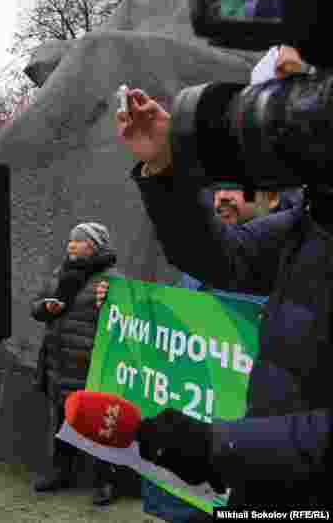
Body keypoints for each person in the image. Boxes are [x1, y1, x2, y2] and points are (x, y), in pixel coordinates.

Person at [115, 85, 330, 510]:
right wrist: (163, 166)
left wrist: (223, 445)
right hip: (265, 489)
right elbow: (218, 257)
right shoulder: (312, 218)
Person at [31, 222, 122, 506]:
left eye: (79, 240)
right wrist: (45, 307)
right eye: (70, 240)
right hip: (59, 361)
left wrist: (108, 301)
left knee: (97, 425)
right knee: (62, 422)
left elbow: (122, 317)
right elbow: (36, 306)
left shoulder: (110, 280)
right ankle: (61, 473)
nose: (71, 245)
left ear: (95, 246)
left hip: (90, 364)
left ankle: (104, 482)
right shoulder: (61, 274)